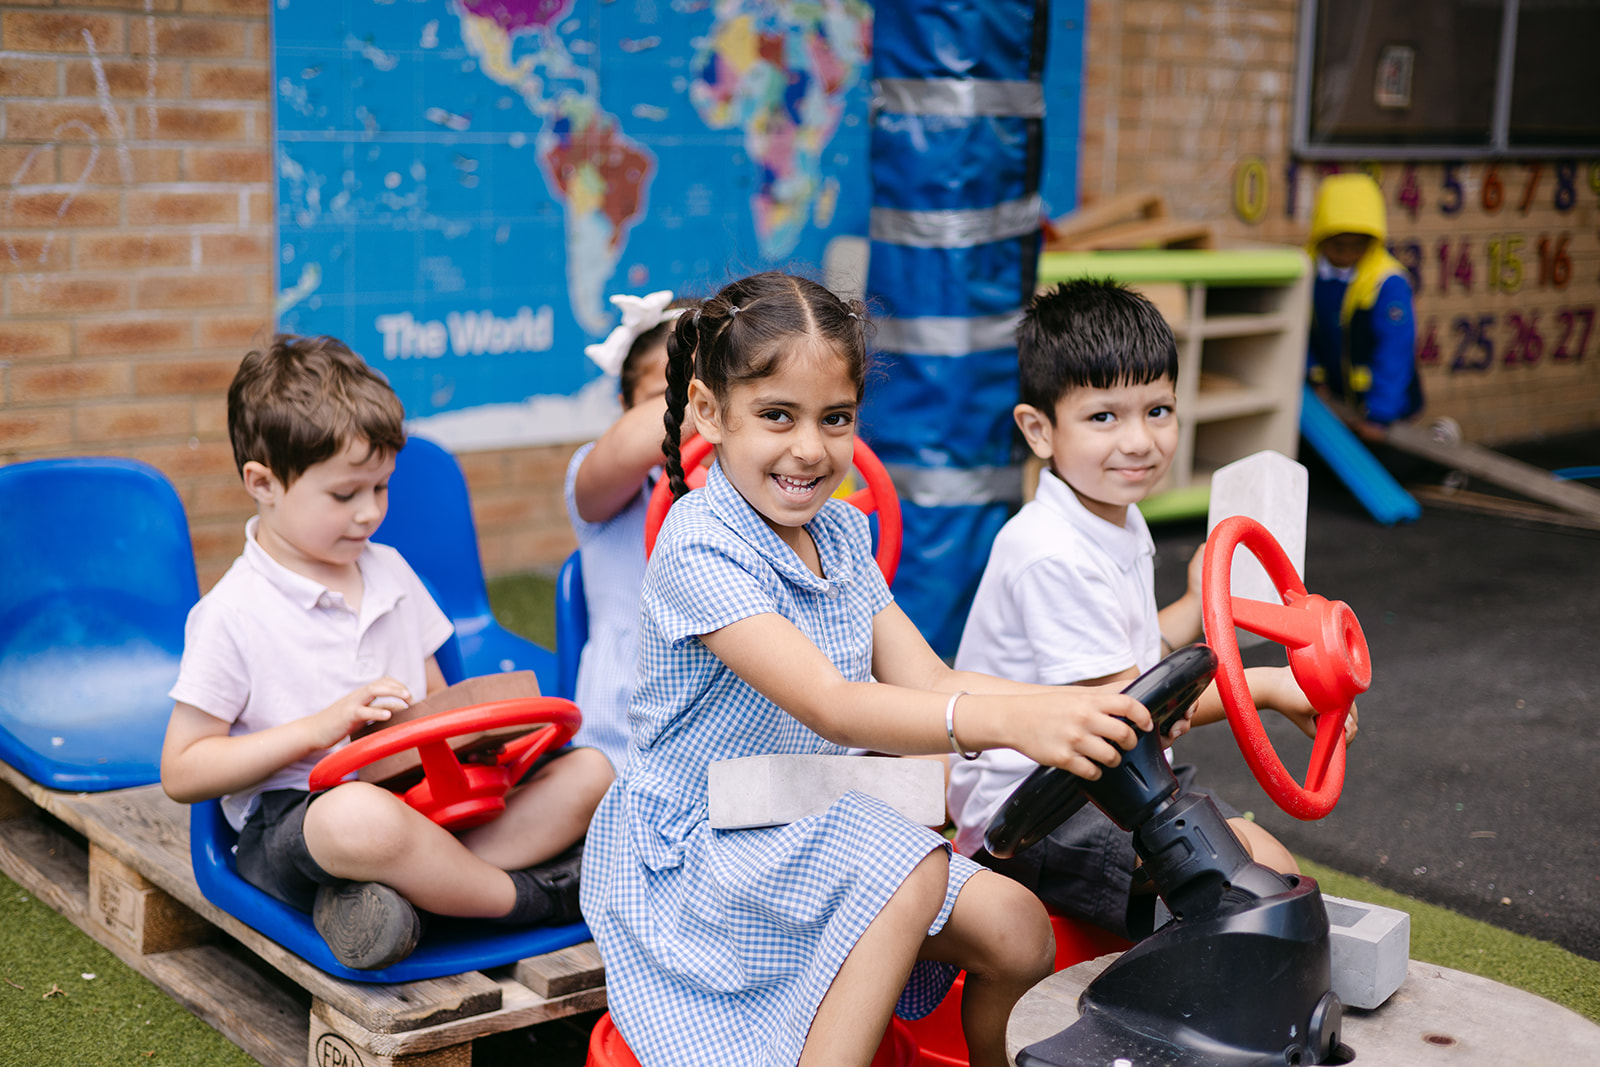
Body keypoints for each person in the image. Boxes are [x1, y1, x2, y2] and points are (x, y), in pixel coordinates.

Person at [579, 272, 1156, 1067]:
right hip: (702, 845)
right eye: (777, 415)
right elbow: (833, 705)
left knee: (1019, 933)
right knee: (911, 862)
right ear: (710, 413)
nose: (810, 448)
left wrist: (1073, 707)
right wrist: (1014, 722)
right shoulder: (697, 544)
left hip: (801, 812)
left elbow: (928, 676)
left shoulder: (842, 534)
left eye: (835, 418)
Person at [160, 335, 613, 970]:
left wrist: (493, 739)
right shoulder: (230, 616)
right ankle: (524, 897)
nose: (370, 512)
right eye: (345, 495)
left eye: (381, 487)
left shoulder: (392, 571)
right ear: (262, 483)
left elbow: (432, 707)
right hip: (300, 820)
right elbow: (182, 771)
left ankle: (413, 898)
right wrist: (318, 730)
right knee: (355, 819)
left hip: (419, 799)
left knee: (592, 770)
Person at [948, 279, 1358, 942]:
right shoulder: (1051, 550)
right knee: (1247, 893)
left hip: (1107, 777)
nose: (1139, 441)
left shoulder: (1110, 515)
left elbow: (1134, 658)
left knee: (1272, 873)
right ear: (1040, 429)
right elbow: (1125, 716)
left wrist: (1198, 605)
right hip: (1038, 810)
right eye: (1104, 417)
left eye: (1158, 410)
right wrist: (1273, 686)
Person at [564, 290, 692, 771]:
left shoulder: (745, 489)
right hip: (624, 732)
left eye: (712, 386)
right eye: (670, 392)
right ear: (624, 405)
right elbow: (625, 448)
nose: (695, 407)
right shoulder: (606, 478)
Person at [1305, 171, 1422, 443]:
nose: (1346, 255)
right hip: (1333, 399)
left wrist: (1381, 412)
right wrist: (1311, 376)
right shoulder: (1308, 272)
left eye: (1357, 246)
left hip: (1383, 407)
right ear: (1320, 238)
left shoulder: (1388, 282)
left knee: (1382, 466)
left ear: (1373, 240)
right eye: (1337, 246)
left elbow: (1395, 350)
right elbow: (1301, 333)